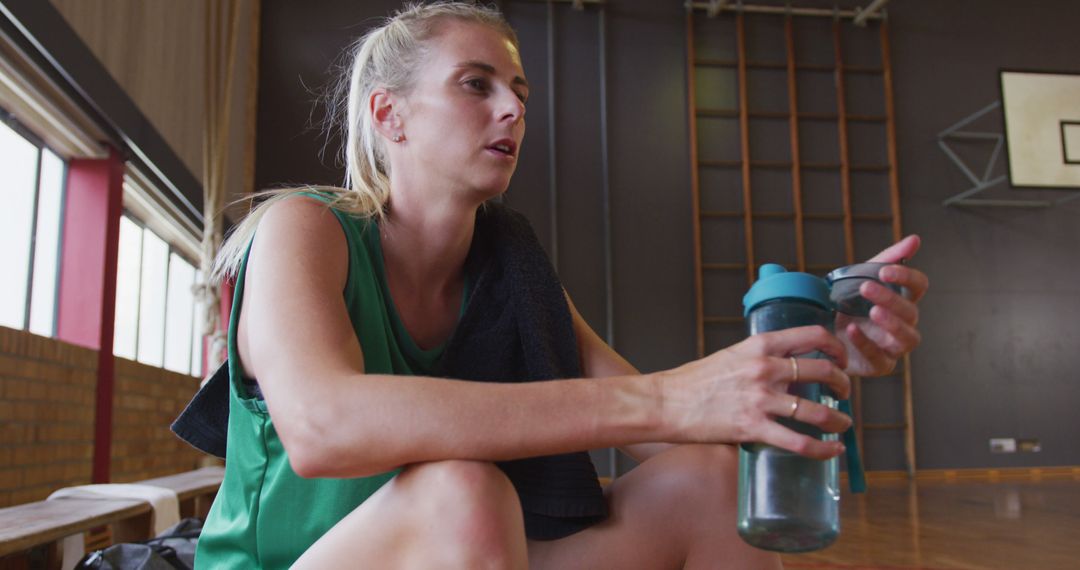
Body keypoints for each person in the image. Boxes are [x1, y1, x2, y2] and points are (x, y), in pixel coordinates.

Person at [192, 2, 929, 568]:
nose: (512, 108)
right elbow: (324, 427)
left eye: (518, 91)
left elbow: (666, 430)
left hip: (469, 548)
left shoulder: (510, 264)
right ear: (390, 115)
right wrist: (671, 392)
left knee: (711, 480)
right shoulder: (302, 228)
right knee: (465, 491)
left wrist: (814, 366)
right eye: (475, 86)